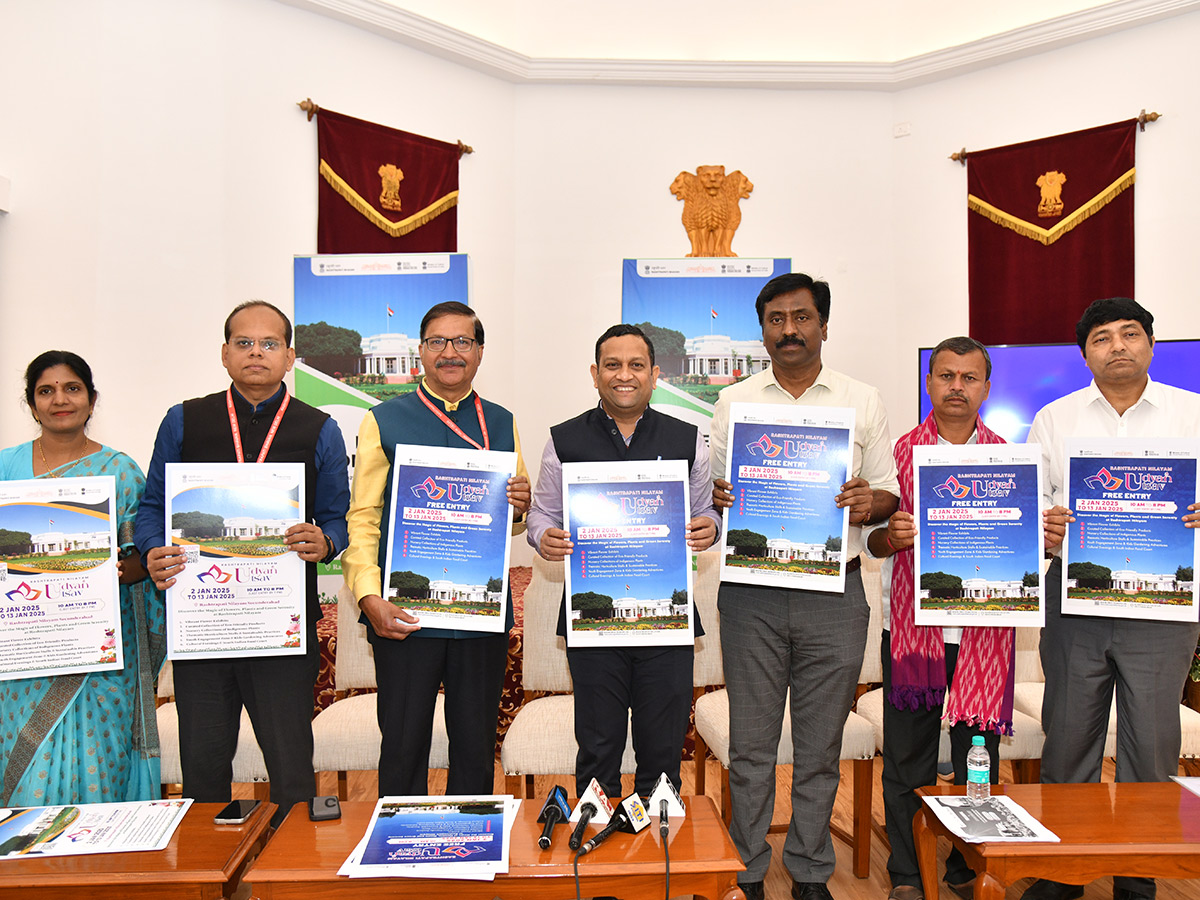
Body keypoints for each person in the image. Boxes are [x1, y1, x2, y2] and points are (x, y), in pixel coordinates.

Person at [710, 272, 900, 900]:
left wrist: (869, 501)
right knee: (752, 747)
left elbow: (889, 491)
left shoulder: (862, 399)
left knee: (821, 747)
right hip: (751, 596)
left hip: (835, 593)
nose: (789, 330)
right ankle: (746, 870)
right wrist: (718, 498)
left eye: (801, 318)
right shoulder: (733, 403)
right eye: (776, 320)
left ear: (822, 323)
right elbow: (710, 499)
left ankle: (812, 869)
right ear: (762, 328)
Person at [134, 301, 349, 827]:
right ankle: (213, 879)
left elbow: (338, 519)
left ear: (290, 356)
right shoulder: (184, 419)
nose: (257, 353)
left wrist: (325, 542)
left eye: (270, 344)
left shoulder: (319, 428)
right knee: (204, 770)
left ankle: (291, 877)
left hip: (281, 629)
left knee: (292, 770)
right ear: (225, 354)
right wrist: (150, 552)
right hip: (204, 624)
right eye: (244, 343)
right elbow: (152, 509)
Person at [866, 336, 1058, 900]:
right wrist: (889, 536)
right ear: (929, 384)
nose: (956, 387)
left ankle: (964, 868)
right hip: (911, 635)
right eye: (945, 376)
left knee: (978, 761)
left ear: (986, 388)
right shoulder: (896, 455)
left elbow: (1029, 548)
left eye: (968, 378)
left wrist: (1043, 540)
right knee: (907, 758)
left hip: (985, 636)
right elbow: (869, 543)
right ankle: (906, 871)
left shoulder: (1014, 460)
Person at [1020, 298, 1200, 900]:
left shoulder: (1192, 414)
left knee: (1151, 751)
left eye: (1130, 334)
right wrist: (1041, 523)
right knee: (1068, 742)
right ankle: (1060, 873)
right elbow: (1030, 507)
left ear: (1151, 344)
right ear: (1084, 354)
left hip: (1162, 614)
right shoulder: (1054, 418)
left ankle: (1139, 879)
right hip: (1073, 606)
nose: (1117, 345)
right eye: (1102, 337)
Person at [526, 324, 721, 801]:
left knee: (663, 748)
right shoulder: (564, 440)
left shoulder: (687, 439)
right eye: (612, 365)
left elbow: (706, 511)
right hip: (591, 620)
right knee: (597, 745)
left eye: (636, 365)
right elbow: (541, 513)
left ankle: (661, 850)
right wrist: (542, 537)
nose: (624, 375)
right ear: (595, 375)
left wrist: (709, 527)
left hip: (666, 622)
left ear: (655, 374)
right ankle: (598, 856)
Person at [343, 301, 530, 796]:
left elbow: (514, 516)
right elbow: (363, 518)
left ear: (480, 351)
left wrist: (521, 506)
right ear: (421, 352)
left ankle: (468, 852)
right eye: (438, 342)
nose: (450, 352)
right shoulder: (384, 420)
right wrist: (367, 596)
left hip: (479, 616)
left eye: (462, 342)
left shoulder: (501, 420)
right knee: (403, 745)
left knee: (474, 745)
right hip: (403, 613)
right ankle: (400, 857)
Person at [0, 351, 165, 806]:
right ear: (31, 404)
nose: (60, 400)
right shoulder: (4, 469)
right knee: (24, 754)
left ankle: (105, 862)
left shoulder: (121, 471)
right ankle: (28, 866)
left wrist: (116, 568)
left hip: (101, 649)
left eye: (72, 389)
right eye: (46, 391)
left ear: (92, 400)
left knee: (100, 753)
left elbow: (142, 558)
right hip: (25, 647)